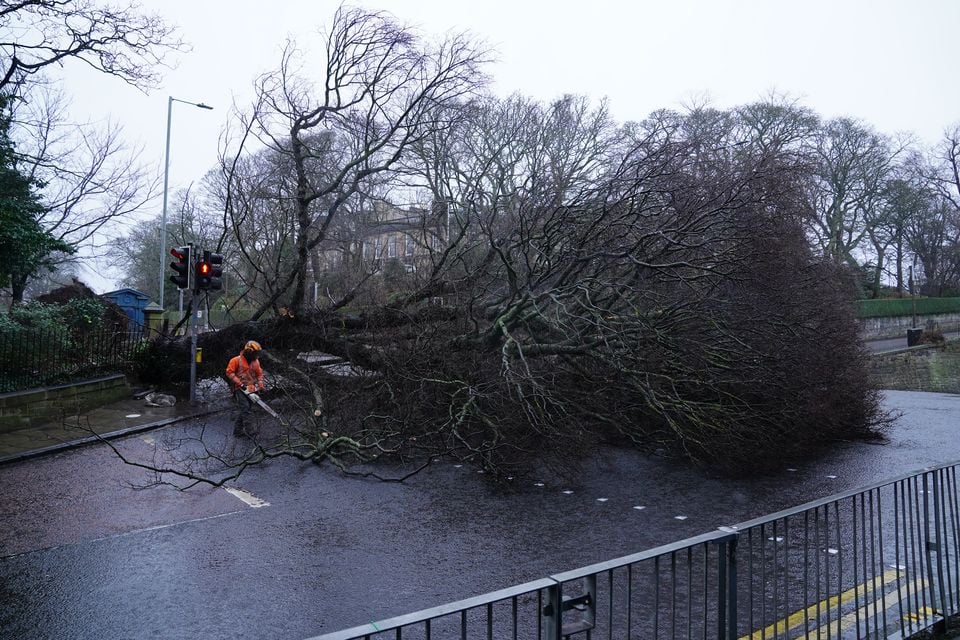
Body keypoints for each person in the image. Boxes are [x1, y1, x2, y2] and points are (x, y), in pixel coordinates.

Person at [225, 340, 266, 436]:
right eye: (255, 353)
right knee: (246, 409)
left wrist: (260, 385)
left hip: (251, 388)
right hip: (239, 388)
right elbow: (229, 373)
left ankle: (237, 431)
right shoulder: (235, 360)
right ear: (249, 352)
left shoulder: (256, 362)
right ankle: (250, 431)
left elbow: (259, 374)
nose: (257, 355)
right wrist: (239, 383)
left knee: (245, 410)